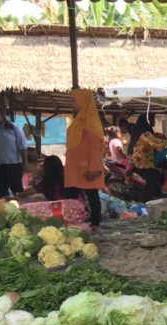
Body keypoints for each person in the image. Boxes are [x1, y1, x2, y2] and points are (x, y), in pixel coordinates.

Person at [64, 89, 105, 227]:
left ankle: (95, 225)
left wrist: (93, 167)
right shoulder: (78, 121)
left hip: (87, 168)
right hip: (75, 167)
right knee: (71, 196)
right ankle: (73, 222)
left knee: (92, 195)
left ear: (83, 102)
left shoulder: (90, 123)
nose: (72, 104)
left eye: (74, 101)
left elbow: (94, 148)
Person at [0, 105, 28, 198]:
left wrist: (24, 166)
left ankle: (21, 210)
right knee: (2, 193)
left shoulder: (14, 128)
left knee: (18, 191)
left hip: (13, 166)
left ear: (2, 115)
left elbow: (22, 148)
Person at [130, 117, 166, 201]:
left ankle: (154, 195)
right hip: (143, 163)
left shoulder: (138, 132)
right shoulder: (145, 133)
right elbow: (156, 143)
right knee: (152, 180)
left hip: (139, 161)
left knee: (156, 175)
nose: (153, 122)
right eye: (151, 120)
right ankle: (144, 202)